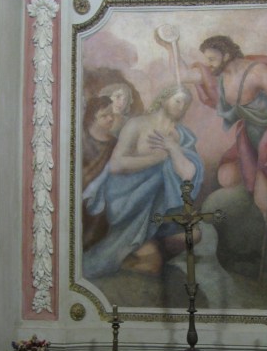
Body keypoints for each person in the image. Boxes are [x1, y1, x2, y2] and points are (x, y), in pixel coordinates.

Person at [163, 34, 267, 281]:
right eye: (207, 60)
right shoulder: (220, 75)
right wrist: (170, 44)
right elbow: (183, 74)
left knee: (264, 199)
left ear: (227, 55)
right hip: (250, 137)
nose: (209, 64)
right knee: (226, 176)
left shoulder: (257, 72)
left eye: (212, 59)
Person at [82, 84, 204, 279]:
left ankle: (148, 247)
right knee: (152, 263)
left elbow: (188, 175)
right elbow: (116, 165)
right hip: (128, 197)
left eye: (186, 104)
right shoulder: (137, 124)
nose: (181, 107)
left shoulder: (182, 135)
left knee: (194, 235)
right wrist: (157, 159)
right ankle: (140, 249)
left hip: (164, 206)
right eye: (178, 101)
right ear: (164, 99)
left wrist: (173, 149)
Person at [82, 96, 117, 249]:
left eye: (112, 114)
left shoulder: (114, 142)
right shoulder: (81, 139)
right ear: (92, 118)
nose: (110, 118)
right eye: (104, 115)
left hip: (104, 192)